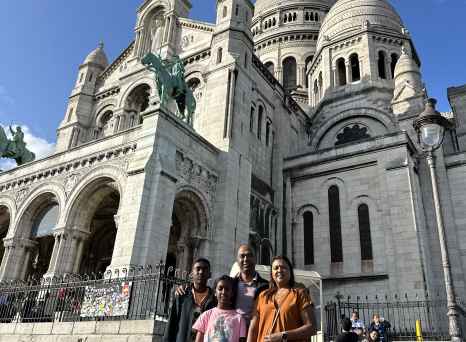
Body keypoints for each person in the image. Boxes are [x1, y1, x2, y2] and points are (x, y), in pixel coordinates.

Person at [177, 245, 268, 325]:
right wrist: (188, 287)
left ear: (255, 259)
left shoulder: (265, 286)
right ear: (237, 260)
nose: (246, 259)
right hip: (231, 333)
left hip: (254, 335)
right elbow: (212, 295)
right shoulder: (230, 284)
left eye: (249, 255)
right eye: (242, 256)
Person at [247, 256, 317, 342]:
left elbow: (311, 327)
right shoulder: (262, 296)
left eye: (283, 267)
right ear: (272, 274)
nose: (279, 270)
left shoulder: (299, 293)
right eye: (276, 268)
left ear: (290, 272)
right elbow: (253, 330)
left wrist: (284, 336)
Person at [163, 258, 216, 342]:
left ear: (210, 274)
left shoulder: (214, 299)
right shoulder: (182, 295)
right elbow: (172, 323)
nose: (201, 272)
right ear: (192, 273)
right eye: (198, 269)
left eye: (205, 269)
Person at [193, 275, 247, 342]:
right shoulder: (206, 315)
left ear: (232, 293)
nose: (223, 292)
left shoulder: (240, 319)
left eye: (227, 289)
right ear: (215, 292)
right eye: (220, 288)